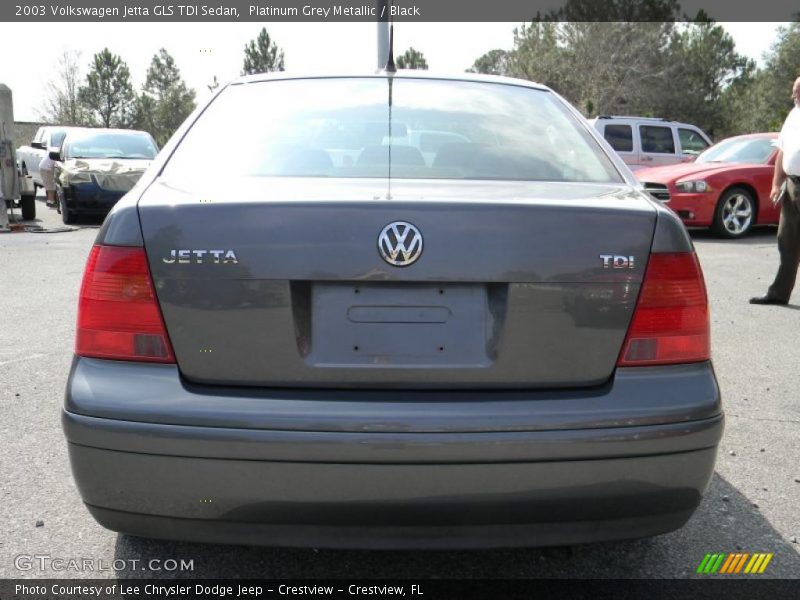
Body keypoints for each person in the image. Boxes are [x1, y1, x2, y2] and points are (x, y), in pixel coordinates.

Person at [750, 76, 800, 306]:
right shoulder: (793, 116)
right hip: (792, 185)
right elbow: (782, 152)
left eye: (798, 91)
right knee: (787, 240)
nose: (794, 96)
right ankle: (779, 293)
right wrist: (775, 184)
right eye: (793, 91)